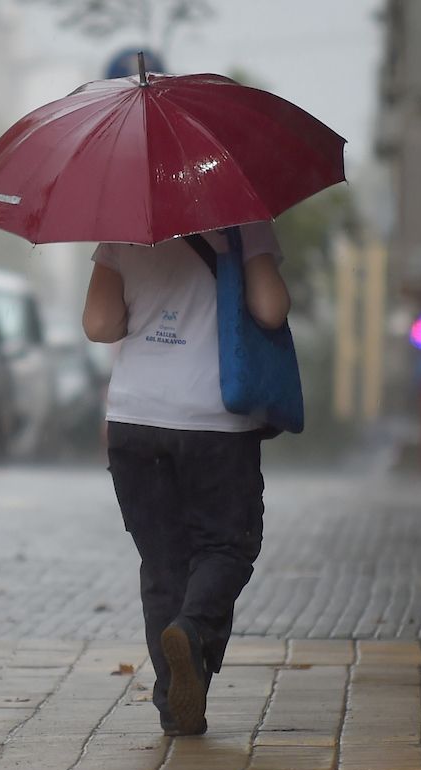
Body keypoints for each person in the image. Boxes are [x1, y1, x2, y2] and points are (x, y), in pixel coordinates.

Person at [82, 222, 290, 737]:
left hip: (134, 420)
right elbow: (271, 309)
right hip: (215, 419)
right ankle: (193, 629)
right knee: (226, 545)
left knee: (162, 562)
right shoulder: (242, 221)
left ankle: (175, 706)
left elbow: (100, 324)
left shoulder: (124, 227)